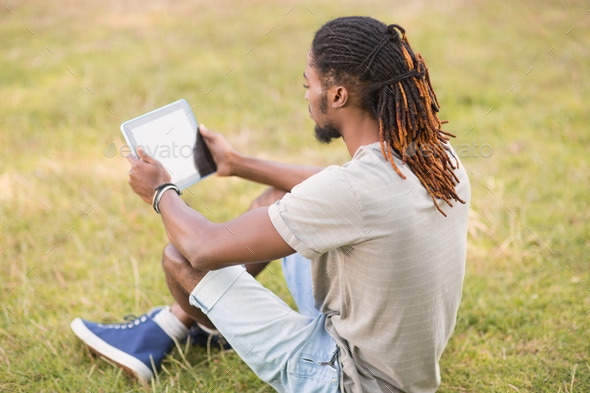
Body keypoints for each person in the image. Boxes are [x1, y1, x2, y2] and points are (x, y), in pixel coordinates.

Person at [70, 16, 470, 393]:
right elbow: (335, 190)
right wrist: (237, 164)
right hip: (400, 365)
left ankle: (187, 327)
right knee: (277, 198)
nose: (306, 95)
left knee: (181, 259)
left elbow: (203, 248)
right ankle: (178, 324)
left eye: (307, 84)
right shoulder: (436, 156)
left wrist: (161, 191)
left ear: (337, 95)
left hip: (347, 379)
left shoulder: (355, 191)